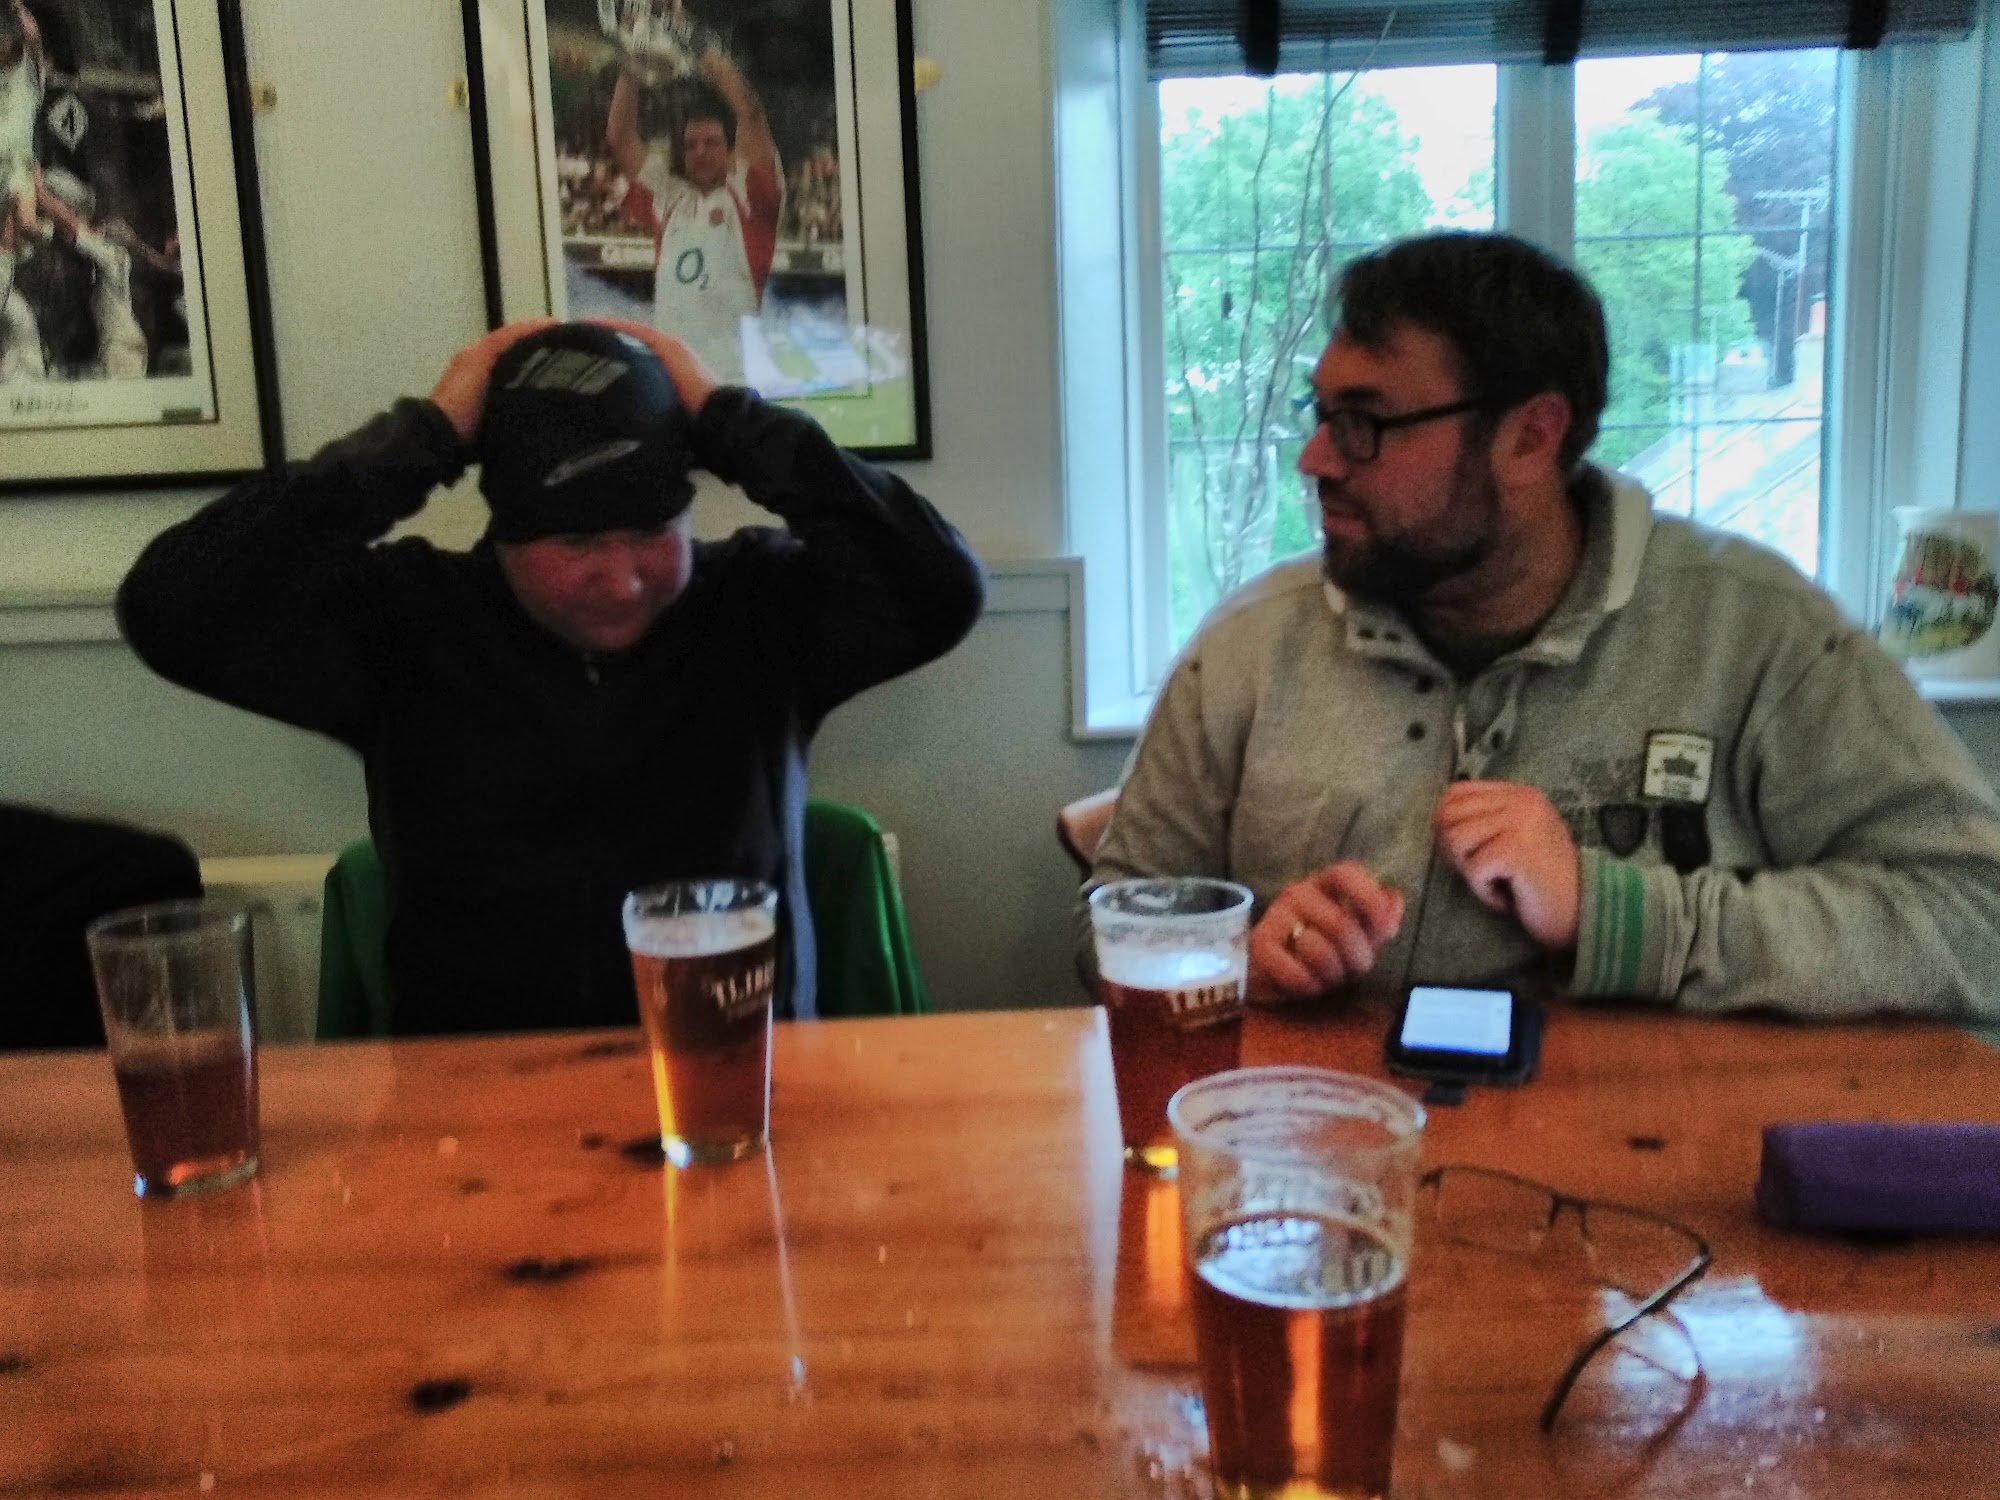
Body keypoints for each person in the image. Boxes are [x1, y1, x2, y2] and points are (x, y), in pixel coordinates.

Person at [1083, 231, 2000, 1022]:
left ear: (1531, 436)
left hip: (1656, 1145)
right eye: (1320, 415)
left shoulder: (1756, 633)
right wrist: (1229, 959)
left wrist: (1615, 916)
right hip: (1320, 1144)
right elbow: (1108, 924)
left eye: (1364, 423)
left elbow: (1976, 919)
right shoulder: (1249, 646)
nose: (1316, 460)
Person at [119, 319, 984, 1034]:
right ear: (504, 535)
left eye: (654, 533)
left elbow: (941, 588)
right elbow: (169, 607)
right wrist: (425, 438)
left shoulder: (762, 608)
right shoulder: (405, 623)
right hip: (472, 1104)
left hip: (727, 1081)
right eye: (577, 542)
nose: (624, 578)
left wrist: (731, 419)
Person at [605, 29, 781, 385]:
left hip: (730, 383)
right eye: (690, 145)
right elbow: (619, 138)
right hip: (673, 381)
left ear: (731, 152)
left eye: (711, 142)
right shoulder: (669, 199)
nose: (699, 151)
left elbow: (750, 113)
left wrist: (692, 38)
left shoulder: (749, 199)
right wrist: (630, 67)